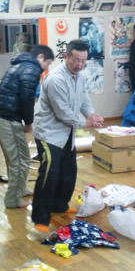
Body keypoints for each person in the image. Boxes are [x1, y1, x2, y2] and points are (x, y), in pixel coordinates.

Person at [31, 39, 104, 233]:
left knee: (69, 172)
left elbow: (84, 98)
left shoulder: (80, 76)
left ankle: (60, 205)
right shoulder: (55, 79)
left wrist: (91, 114)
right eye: (75, 60)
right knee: (49, 174)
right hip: (49, 134)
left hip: (67, 133)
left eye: (83, 61)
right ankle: (40, 218)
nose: (79, 65)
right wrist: (85, 123)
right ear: (66, 57)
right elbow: (62, 112)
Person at [0, 45, 54, 209]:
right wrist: (28, 122)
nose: (46, 68)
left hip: (2, 116)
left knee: (19, 158)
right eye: (47, 63)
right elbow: (27, 98)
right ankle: (13, 200)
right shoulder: (32, 69)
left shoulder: (20, 64)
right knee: (19, 160)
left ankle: (21, 188)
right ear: (40, 57)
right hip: (8, 119)